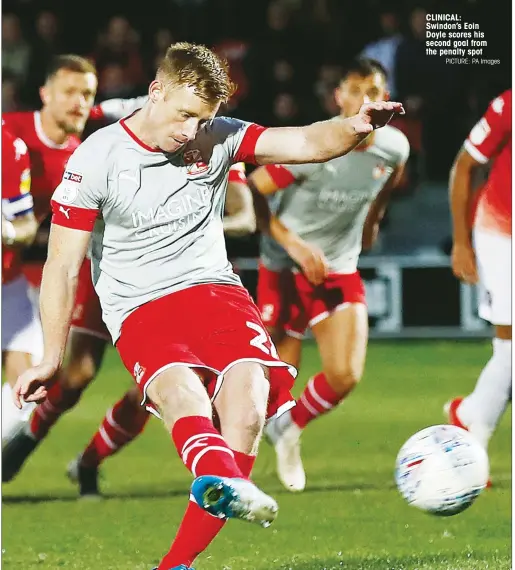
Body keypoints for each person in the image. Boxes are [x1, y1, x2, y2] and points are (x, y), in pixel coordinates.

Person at [13, 42, 403, 569]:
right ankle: (217, 492)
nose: (192, 131)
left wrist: (355, 126)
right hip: (139, 304)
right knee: (181, 396)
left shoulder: (218, 135)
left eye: (204, 119)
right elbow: (61, 266)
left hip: (213, 289)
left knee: (249, 401)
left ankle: (178, 559)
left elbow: (308, 140)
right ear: (156, 92)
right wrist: (50, 357)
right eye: (185, 115)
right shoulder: (97, 157)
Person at [248, 58, 410, 492]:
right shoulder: (316, 146)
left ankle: (289, 430)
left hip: (338, 265)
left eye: (375, 91)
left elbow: (388, 182)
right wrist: (294, 245)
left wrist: (372, 222)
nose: (366, 101)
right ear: (339, 97)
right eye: (356, 91)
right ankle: (227, 470)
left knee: (345, 375)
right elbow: (253, 189)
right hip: (284, 265)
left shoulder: (394, 147)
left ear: (386, 95)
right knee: (273, 383)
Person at [66, 161, 259, 498]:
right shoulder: (127, 150)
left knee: (222, 388)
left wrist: (198, 226)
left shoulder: (220, 145)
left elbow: (246, 218)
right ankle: (89, 461)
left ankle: (225, 484)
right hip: (144, 292)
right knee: (157, 391)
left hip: (206, 284)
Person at [1, 55, 98, 446]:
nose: (79, 102)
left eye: (87, 94)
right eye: (70, 91)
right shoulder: (8, 132)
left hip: (8, 273)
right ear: (45, 93)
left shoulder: (81, 160)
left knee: (30, 386)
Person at [446, 89, 511, 471]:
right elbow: (464, 166)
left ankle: (469, 411)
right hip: (501, 235)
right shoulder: (509, 105)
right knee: (510, 349)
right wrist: (460, 242)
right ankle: (473, 437)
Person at [1, 127, 39, 442]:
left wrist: (7, 232)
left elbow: (24, 223)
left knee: (27, 388)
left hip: (7, 282)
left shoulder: (9, 146)